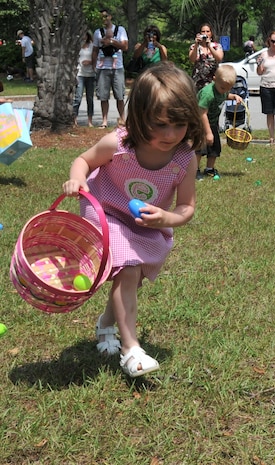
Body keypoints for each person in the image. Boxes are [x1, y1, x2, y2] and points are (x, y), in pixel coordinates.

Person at [62, 62, 203, 378]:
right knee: (128, 269)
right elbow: (83, 160)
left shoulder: (184, 159)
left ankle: (105, 325)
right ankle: (131, 350)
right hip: (105, 210)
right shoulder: (120, 144)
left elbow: (187, 207)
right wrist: (77, 179)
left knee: (132, 278)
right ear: (139, 116)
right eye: (159, 124)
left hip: (145, 224)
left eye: (178, 125)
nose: (170, 134)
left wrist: (167, 216)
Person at [189, 23, 224, 180]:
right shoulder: (194, 46)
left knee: (212, 120)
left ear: (211, 33)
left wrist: (209, 46)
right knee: (198, 124)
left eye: (207, 31)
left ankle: (210, 167)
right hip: (198, 87)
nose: (205, 34)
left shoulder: (216, 46)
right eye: (202, 31)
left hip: (212, 87)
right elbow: (192, 60)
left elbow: (219, 58)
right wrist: (197, 45)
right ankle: (195, 168)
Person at [197, 65, 242, 178]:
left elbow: (225, 95)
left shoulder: (222, 89)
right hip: (199, 123)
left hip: (212, 122)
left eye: (228, 89)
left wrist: (234, 96)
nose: (225, 91)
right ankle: (194, 170)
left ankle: (209, 169)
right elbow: (202, 113)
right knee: (200, 148)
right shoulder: (208, 94)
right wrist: (208, 133)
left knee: (215, 147)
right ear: (214, 79)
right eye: (223, 88)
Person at [92, 8, 128, 128]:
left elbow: (125, 46)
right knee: (103, 96)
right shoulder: (98, 32)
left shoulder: (120, 30)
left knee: (119, 95)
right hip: (103, 68)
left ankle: (123, 120)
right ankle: (104, 121)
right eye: (102, 17)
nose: (104, 19)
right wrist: (94, 66)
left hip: (117, 67)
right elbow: (95, 50)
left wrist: (112, 42)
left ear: (110, 16)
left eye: (106, 16)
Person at [73, 31, 95, 128]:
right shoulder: (76, 46)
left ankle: (90, 120)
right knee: (78, 97)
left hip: (90, 74)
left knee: (90, 98)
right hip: (80, 73)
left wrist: (90, 62)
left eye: (85, 35)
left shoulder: (92, 45)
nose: (83, 37)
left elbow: (96, 58)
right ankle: (74, 120)